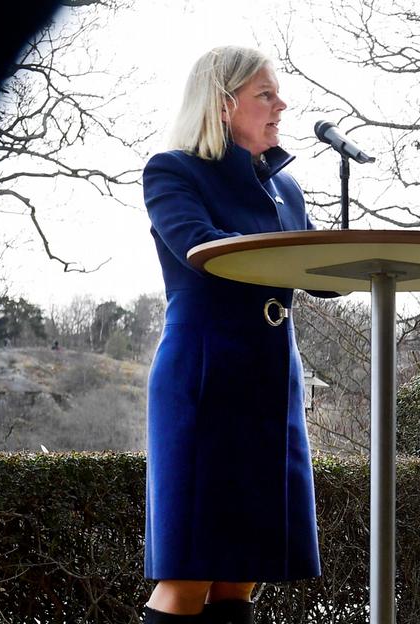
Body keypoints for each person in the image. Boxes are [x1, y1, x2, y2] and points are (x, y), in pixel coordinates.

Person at [141, 46, 337, 624]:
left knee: (241, 579)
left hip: (271, 385)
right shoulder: (173, 170)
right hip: (204, 379)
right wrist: (292, 258)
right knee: (188, 577)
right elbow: (198, 248)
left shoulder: (286, 188)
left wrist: (365, 258)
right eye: (266, 94)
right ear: (224, 104)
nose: (282, 105)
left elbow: (319, 278)